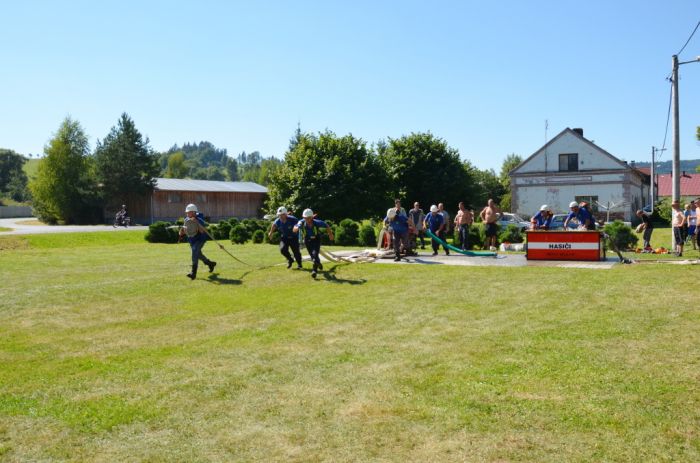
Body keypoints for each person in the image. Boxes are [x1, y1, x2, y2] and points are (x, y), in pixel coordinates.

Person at [178, 203, 216, 280]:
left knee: (194, 252)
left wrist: (197, 222)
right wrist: (181, 232)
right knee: (198, 254)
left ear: (194, 212)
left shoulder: (199, 219)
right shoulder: (186, 220)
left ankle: (193, 273)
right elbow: (185, 231)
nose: (187, 213)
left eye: (189, 212)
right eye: (187, 212)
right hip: (192, 240)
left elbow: (202, 231)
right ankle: (210, 263)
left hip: (200, 240)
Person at [293, 208, 334, 278]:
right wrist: (296, 228)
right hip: (307, 240)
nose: (307, 220)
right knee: (312, 256)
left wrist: (330, 235)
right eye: (305, 218)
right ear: (303, 217)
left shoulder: (317, 222)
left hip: (316, 240)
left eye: (309, 218)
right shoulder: (301, 222)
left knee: (315, 254)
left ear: (312, 217)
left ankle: (314, 271)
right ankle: (318, 263)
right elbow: (294, 229)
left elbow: (326, 225)